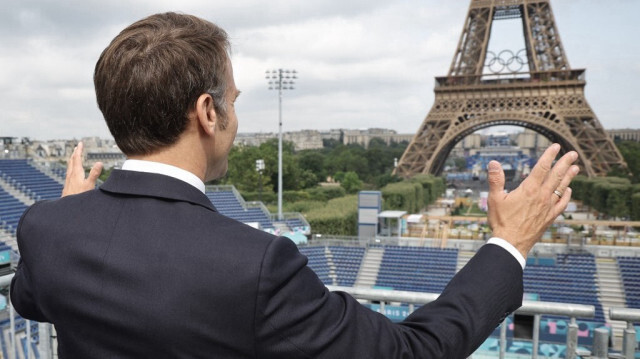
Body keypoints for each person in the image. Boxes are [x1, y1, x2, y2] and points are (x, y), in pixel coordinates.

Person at [10, 12, 580, 358]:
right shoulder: (256, 265)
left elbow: (29, 298)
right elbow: (413, 351)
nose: (237, 115)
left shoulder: (48, 228)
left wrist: (73, 219)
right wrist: (509, 244)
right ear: (208, 112)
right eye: (233, 100)